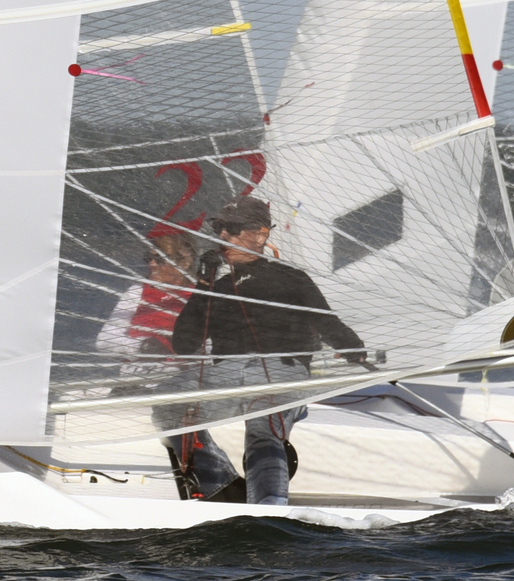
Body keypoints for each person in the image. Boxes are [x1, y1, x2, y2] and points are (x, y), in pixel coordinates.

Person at [159, 195, 366, 505]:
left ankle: (270, 508)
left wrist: (354, 349)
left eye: (231, 229)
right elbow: (184, 344)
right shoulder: (218, 287)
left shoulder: (291, 278)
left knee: (262, 425)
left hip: (280, 371)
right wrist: (204, 283)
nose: (222, 236)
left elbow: (329, 324)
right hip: (225, 374)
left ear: (260, 235)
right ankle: (222, 487)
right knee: (167, 401)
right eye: (220, 229)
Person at [97, 232, 197, 380]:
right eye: (148, 258)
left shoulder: (200, 296)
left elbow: (213, 348)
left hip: (180, 381)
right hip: (134, 381)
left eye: (160, 259)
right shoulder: (137, 292)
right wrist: (141, 346)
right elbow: (104, 341)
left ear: (184, 262)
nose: (152, 264)